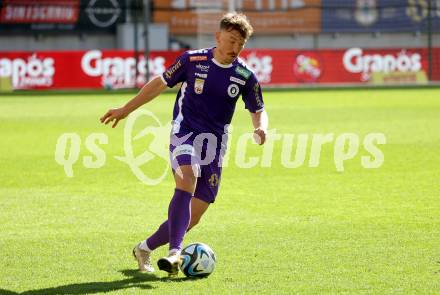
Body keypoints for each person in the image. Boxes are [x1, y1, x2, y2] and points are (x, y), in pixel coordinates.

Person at [100, 12, 268, 276]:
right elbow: (159, 83)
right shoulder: (192, 60)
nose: (235, 48)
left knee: (194, 215)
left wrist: (260, 127)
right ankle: (175, 252)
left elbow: (258, 107)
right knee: (188, 176)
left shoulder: (244, 75)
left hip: (214, 146)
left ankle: (144, 248)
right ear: (218, 36)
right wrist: (126, 109)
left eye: (241, 44)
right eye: (231, 40)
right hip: (184, 132)